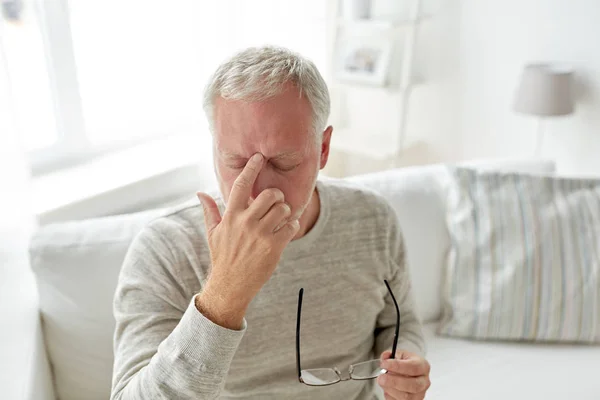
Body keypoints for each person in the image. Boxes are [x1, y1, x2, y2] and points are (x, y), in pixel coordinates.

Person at [111, 45, 431, 400]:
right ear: (215, 150)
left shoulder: (373, 219)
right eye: (236, 162)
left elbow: (398, 323)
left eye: (284, 163)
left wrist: (406, 360)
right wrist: (225, 294)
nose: (257, 190)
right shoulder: (165, 250)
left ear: (323, 150)